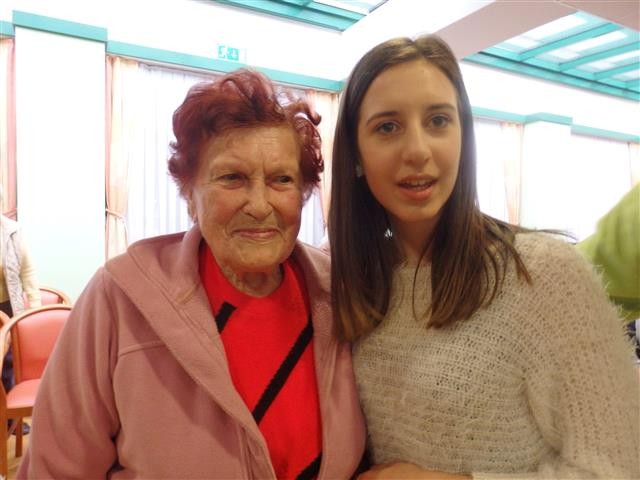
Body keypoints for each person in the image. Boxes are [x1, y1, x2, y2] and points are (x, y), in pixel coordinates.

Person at [18, 69, 365, 479]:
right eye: (232, 178)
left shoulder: (340, 296)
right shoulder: (120, 299)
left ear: (303, 193)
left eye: (281, 180)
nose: (259, 205)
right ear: (189, 193)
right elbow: (54, 468)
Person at [328, 34, 639, 479]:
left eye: (438, 120)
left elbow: (617, 468)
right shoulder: (354, 282)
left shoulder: (541, 273)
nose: (418, 150)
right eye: (388, 127)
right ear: (356, 155)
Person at [0, 185, 41, 435]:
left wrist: (33, 311)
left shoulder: (12, 231)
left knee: (8, 367)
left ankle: (10, 423)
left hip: (8, 306)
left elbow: (28, 272)